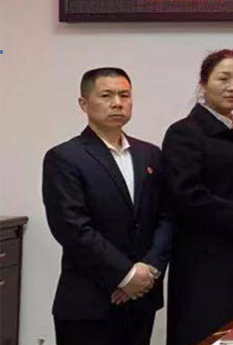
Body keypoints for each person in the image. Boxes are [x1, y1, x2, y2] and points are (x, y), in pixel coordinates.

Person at [42, 68, 172, 345]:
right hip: (89, 304)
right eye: (106, 95)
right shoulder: (65, 157)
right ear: (84, 104)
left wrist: (148, 271)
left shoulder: (150, 154)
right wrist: (125, 275)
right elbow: (72, 228)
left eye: (124, 95)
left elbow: (166, 217)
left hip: (142, 299)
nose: (117, 103)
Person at [162, 49, 233, 345]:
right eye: (223, 79)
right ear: (203, 84)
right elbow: (186, 194)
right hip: (203, 265)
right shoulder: (185, 132)